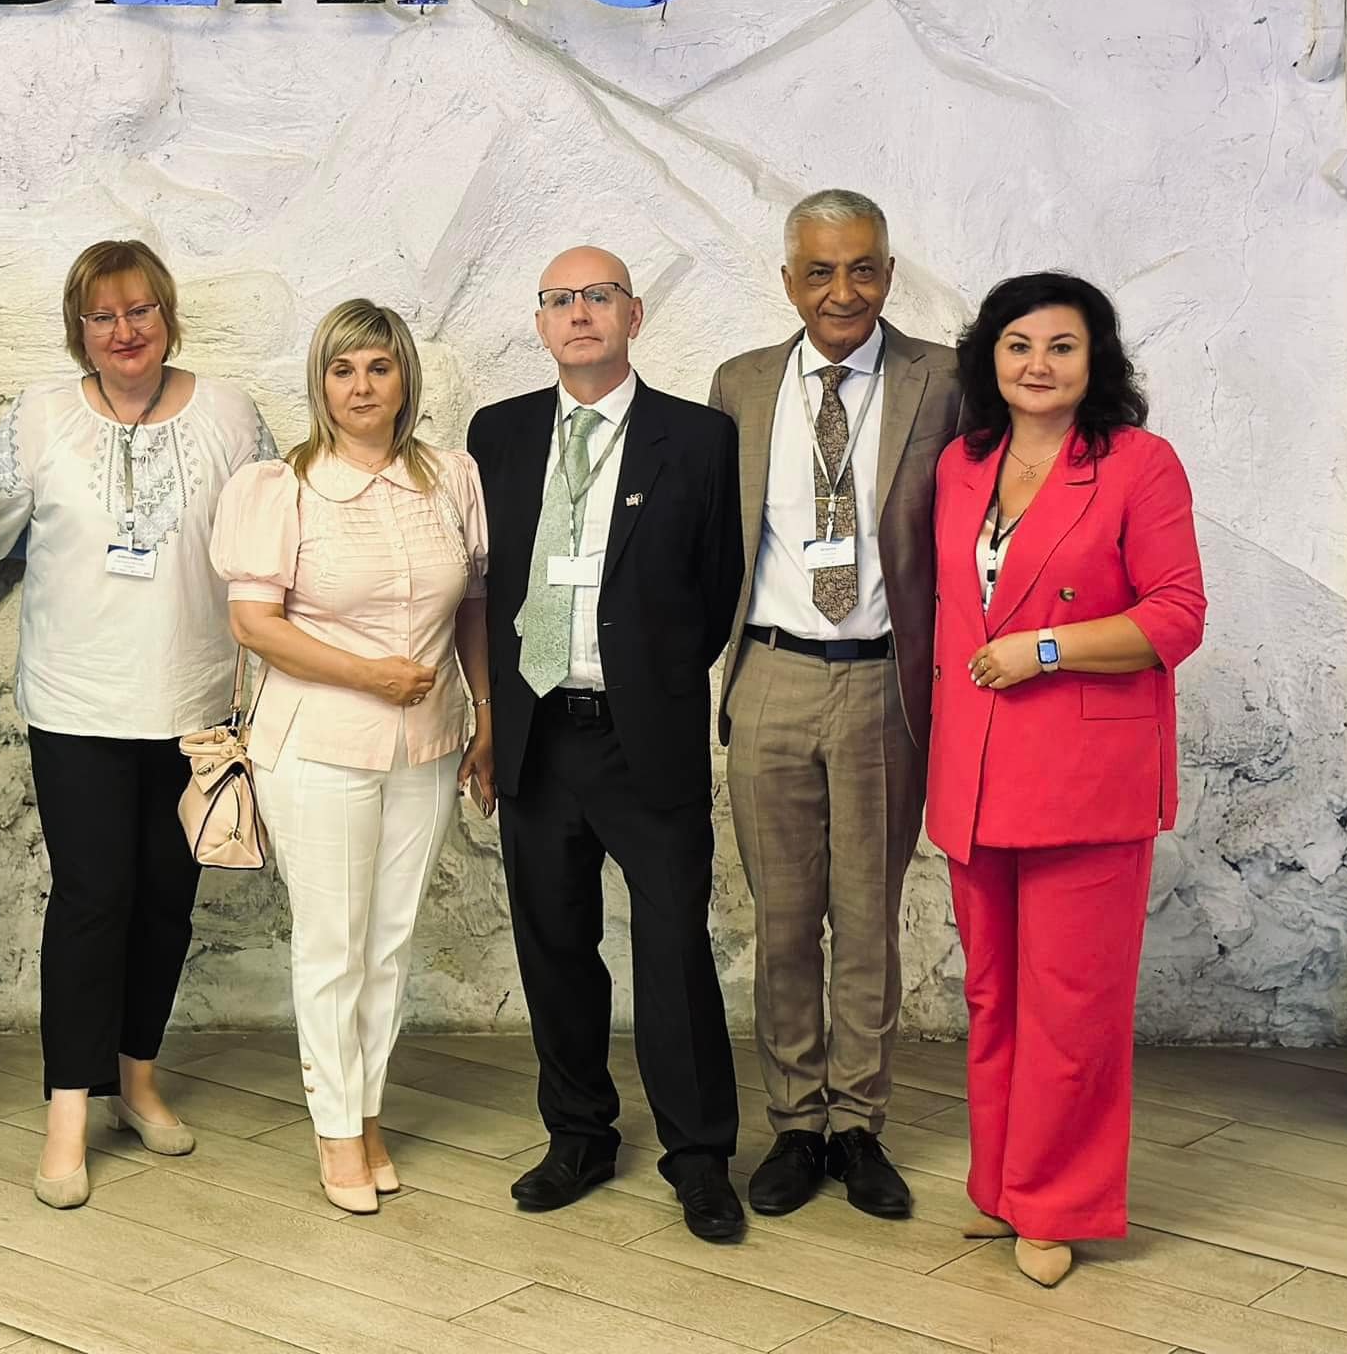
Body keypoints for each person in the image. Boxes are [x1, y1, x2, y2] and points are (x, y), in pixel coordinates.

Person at [0, 239, 275, 1206]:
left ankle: (136, 1079)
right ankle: (70, 1105)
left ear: (168, 315)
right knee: (90, 899)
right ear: (79, 329)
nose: (124, 331)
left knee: (165, 901)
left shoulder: (230, 414)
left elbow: (272, 543)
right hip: (75, 701)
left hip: (195, 701)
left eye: (140, 310)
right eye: (103, 316)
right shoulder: (39, 417)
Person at [929, 272, 1204, 1287]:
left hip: (1087, 777)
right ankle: (1003, 1187)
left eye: (1060, 346)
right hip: (975, 772)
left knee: (1072, 1005)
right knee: (994, 994)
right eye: (1017, 345)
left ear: (1096, 362)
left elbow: (1176, 614)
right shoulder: (962, 464)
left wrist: (1046, 648)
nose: (1036, 365)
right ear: (989, 359)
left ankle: (1055, 1206)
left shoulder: (1137, 464)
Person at [467, 246, 746, 1242]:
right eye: (559, 299)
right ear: (539, 323)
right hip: (537, 730)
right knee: (553, 945)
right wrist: (491, 715)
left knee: (672, 948)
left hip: (642, 735)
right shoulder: (497, 434)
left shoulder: (698, 438)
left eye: (598, 296)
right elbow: (484, 584)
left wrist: (647, 679)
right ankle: (579, 1134)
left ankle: (698, 1155)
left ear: (632, 316)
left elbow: (716, 586)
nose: (578, 312)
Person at [707, 189, 962, 1221]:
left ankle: (857, 1124)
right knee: (780, 921)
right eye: (819, 271)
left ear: (887, 274)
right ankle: (794, 1125)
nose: (841, 290)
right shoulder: (740, 384)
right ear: (788, 281)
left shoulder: (942, 380)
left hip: (880, 682)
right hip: (770, 672)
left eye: (861, 269)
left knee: (865, 921)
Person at [211, 300, 491, 1215]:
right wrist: (371, 674)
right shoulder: (280, 487)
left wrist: (484, 712)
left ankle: (367, 1113)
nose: (361, 386)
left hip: (428, 741)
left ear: (405, 377)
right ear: (319, 384)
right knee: (333, 942)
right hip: (318, 742)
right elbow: (255, 625)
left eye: (378, 366)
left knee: (390, 941)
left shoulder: (452, 478)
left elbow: (473, 606)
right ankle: (336, 1130)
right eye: (342, 370)